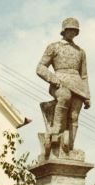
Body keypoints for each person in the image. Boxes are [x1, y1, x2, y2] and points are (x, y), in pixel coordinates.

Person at [36, 17, 90, 152]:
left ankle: (69, 146)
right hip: (60, 83)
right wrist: (53, 79)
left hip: (78, 85)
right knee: (64, 97)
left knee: (74, 115)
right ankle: (55, 131)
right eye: (70, 30)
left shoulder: (80, 51)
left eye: (75, 30)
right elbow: (40, 67)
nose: (72, 33)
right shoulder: (54, 47)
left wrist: (87, 95)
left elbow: (84, 75)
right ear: (64, 31)